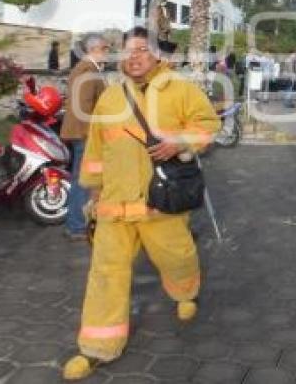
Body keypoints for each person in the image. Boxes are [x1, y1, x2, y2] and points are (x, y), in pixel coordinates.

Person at [62, 26, 219, 380]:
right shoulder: (110, 97)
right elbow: (97, 150)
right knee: (105, 275)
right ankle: (96, 347)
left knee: (177, 257)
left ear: (156, 55)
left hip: (160, 203)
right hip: (114, 207)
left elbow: (209, 125)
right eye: (126, 52)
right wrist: (93, 191)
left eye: (140, 51)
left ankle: (185, 291)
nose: (132, 58)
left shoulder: (181, 90)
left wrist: (179, 142)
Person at [59, 33, 109, 241]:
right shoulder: (88, 71)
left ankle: (78, 223)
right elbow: (85, 107)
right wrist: (95, 136)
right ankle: (76, 226)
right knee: (83, 181)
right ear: (95, 49)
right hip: (85, 134)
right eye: (106, 49)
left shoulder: (85, 69)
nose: (108, 53)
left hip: (82, 133)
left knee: (82, 179)